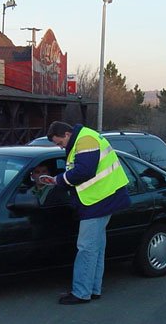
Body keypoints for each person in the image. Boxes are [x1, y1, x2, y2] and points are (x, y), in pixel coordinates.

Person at [46, 121, 130, 304]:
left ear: (68, 134)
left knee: (86, 247)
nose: (60, 147)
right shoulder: (85, 137)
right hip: (103, 197)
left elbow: (84, 172)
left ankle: (81, 292)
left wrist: (58, 180)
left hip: (98, 200)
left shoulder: (85, 140)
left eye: (59, 142)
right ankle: (93, 289)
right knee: (96, 247)